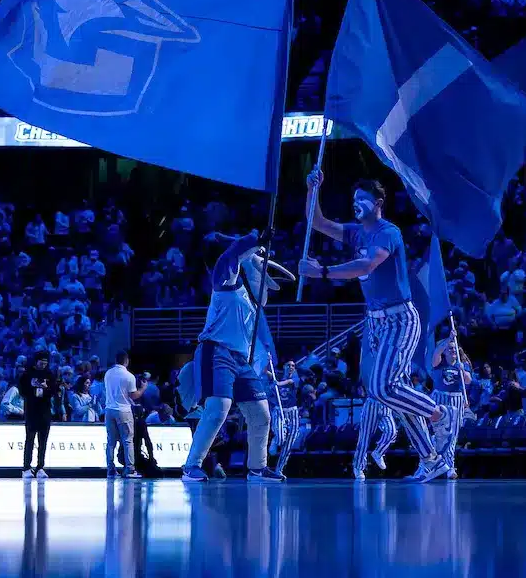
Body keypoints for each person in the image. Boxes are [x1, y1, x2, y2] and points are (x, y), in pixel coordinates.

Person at [299, 170, 452, 482]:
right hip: (377, 322)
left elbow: (366, 265)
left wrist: (322, 272)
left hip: (400, 319)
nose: (357, 203)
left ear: (379, 202)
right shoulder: (356, 232)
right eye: (354, 199)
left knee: (383, 388)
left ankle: (439, 413)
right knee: (393, 392)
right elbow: (319, 223)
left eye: (363, 199)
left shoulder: (387, 232)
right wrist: (312, 190)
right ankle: (431, 459)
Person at [180, 231, 290, 483]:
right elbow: (231, 253)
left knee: (261, 413)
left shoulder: (245, 293)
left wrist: (255, 252)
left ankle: (257, 468)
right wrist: (255, 239)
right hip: (216, 351)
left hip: (241, 360)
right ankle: (191, 466)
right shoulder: (223, 276)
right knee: (218, 408)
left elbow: (262, 299)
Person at [431, 332, 472, 479]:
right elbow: (436, 352)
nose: (453, 351)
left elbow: (468, 381)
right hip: (440, 398)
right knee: (437, 433)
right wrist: (448, 339)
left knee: (452, 435)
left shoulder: (464, 364)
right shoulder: (439, 363)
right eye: (450, 348)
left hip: (456, 399)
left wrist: (463, 370)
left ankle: (449, 467)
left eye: (454, 348)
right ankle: (431, 464)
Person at [104, 351, 145, 479]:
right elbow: (133, 395)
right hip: (123, 410)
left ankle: (110, 469)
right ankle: (129, 469)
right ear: (126, 361)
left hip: (109, 409)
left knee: (111, 442)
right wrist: (143, 388)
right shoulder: (129, 376)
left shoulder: (108, 373)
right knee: (127, 440)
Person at [19, 350, 57, 478]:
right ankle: (26, 467)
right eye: (42, 362)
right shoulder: (27, 374)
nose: (44, 364)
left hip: (45, 411)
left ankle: (40, 467)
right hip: (31, 410)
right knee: (30, 439)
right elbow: (22, 390)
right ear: (36, 361)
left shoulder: (50, 374)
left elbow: (54, 390)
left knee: (43, 441)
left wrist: (46, 389)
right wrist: (32, 389)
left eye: (46, 362)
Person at [351, 397, 398, 480]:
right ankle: (358, 467)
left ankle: (379, 452)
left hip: (386, 405)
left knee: (392, 431)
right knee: (365, 438)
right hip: (371, 405)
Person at [268, 361, 300, 478]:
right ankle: (275, 440)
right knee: (281, 438)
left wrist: (278, 384)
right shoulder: (277, 376)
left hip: (292, 411)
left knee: (289, 443)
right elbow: (268, 373)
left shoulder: (296, 379)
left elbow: (289, 382)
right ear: (284, 366)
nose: (291, 367)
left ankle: (279, 469)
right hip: (279, 411)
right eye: (288, 365)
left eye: (293, 365)